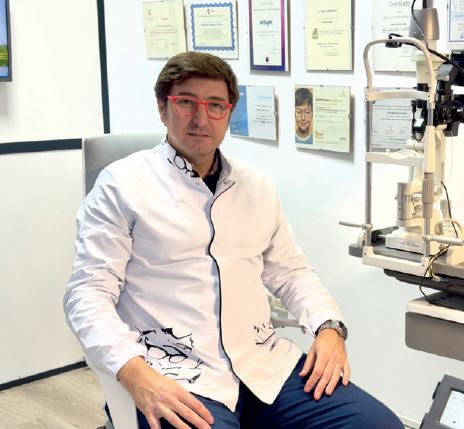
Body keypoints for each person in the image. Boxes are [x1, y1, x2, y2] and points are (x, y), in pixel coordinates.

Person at [64, 51, 403, 429]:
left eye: (215, 106)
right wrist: (134, 373)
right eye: (186, 103)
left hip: (262, 364)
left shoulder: (255, 186)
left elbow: (291, 272)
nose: (201, 119)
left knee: (380, 425)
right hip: (172, 374)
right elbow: (87, 295)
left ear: (229, 112)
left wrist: (329, 327)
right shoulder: (122, 186)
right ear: (163, 108)